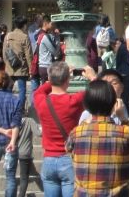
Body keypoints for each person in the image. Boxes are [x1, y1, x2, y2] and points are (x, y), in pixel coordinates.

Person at [66, 79, 129, 196]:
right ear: (114, 104)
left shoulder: (76, 134)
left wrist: (85, 124)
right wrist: (124, 119)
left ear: (86, 104)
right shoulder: (126, 133)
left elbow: (69, 151)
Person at [34, 61, 97, 197]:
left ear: (50, 79)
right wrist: (93, 77)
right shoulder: (74, 100)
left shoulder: (40, 100)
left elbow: (40, 90)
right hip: (69, 158)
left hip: (49, 159)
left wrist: (54, 78)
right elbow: (97, 92)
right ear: (68, 81)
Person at [3, 16, 33, 112]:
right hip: (21, 68)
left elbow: (4, 53)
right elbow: (29, 55)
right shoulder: (24, 37)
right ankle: (19, 109)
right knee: (22, 90)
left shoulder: (8, 36)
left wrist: (7, 64)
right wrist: (31, 69)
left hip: (9, 68)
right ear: (24, 26)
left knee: (8, 88)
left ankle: (8, 107)